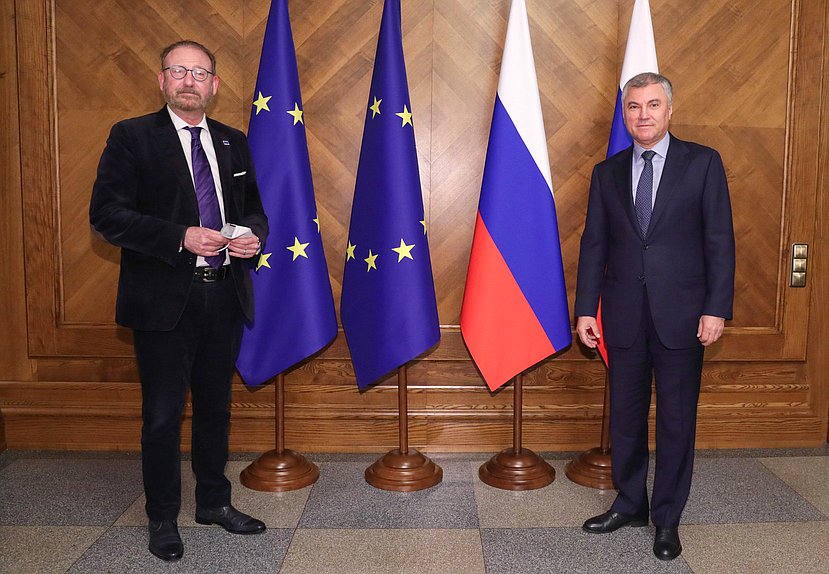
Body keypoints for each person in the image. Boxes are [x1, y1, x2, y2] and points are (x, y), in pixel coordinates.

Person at [90, 40, 269, 561]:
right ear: (162, 79)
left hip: (225, 297)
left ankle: (214, 502)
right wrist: (179, 236)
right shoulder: (131, 137)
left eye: (200, 72)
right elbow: (106, 216)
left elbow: (254, 210)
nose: (189, 80)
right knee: (163, 417)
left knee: (216, 410)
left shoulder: (233, 142)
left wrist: (253, 237)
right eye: (179, 71)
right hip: (164, 302)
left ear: (214, 84)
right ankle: (162, 518)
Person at [574, 72, 735, 561]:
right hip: (622, 316)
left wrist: (716, 308)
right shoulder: (607, 172)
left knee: (675, 421)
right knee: (624, 419)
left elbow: (720, 242)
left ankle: (667, 518)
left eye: (652, 105)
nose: (643, 115)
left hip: (683, 317)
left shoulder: (703, 163)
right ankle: (630, 503)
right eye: (634, 107)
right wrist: (585, 308)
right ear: (624, 114)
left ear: (669, 110)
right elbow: (594, 245)